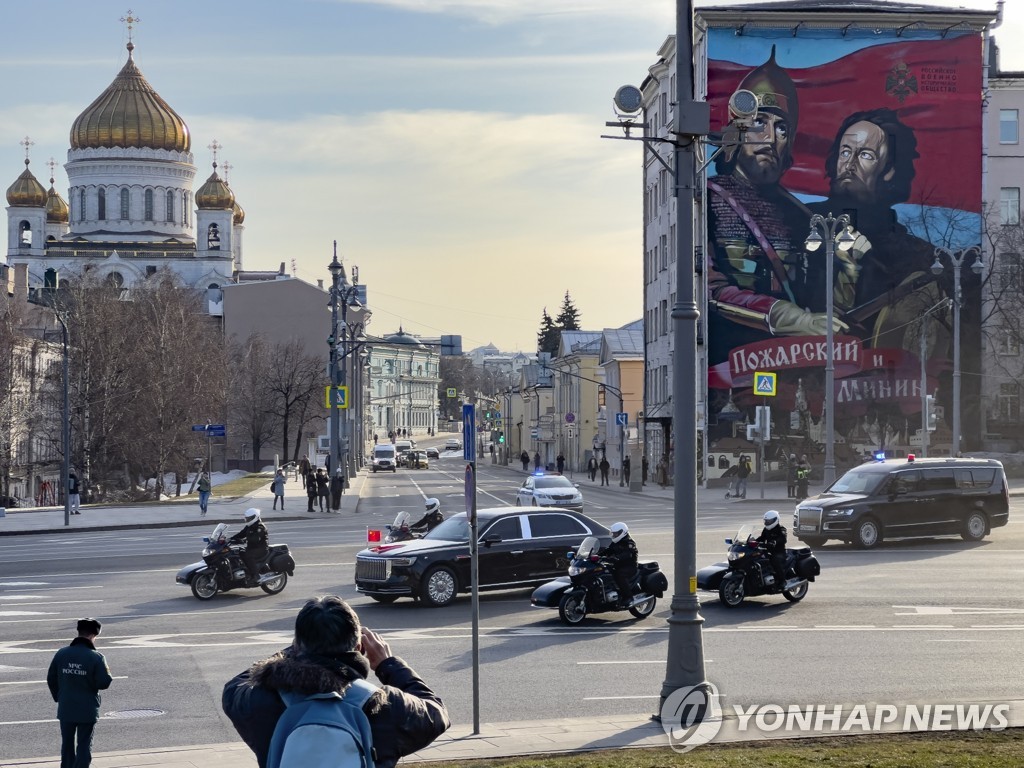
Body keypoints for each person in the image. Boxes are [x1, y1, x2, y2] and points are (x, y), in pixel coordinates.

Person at [222, 595, 450, 768]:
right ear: (359, 646)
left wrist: (294, 651)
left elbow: (235, 685)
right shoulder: (383, 706)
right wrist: (387, 664)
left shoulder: (258, 701)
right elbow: (436, 712)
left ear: (298, 644)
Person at [47, 618, 112, 768]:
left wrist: (59, 697)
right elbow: (104, 682)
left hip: (66, 706)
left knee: (67, 744)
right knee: (84, 745)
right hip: (87, 708)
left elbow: (51, 678)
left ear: (78, 631)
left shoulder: (61, 653)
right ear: (94, 635)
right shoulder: (96, 657)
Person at [600, 523, 639, 608]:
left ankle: (628, 597)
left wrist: (616, 558)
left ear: (623, 532)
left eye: (616, 533)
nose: (614, 535)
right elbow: (608, 550)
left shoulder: (629, 543)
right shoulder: (615, 542)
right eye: (613, 533)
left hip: (629, 566)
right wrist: (597, 555)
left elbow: (627, 554)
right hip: (618, 565)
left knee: (620, 575)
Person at [229, 508, 269, 583]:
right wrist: (230, 539)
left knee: (248, 556)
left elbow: (255, 539)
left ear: (255, 517)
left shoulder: (260, 527)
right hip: (252, 548)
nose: (247, 520)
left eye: (249, 518)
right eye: (246, 518)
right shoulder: (250, 526)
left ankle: (256, 576)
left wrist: (244, 540)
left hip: (261, 549)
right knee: (238, 552)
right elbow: (242, 533)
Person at [757, 510, 790, 589]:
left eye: (769, 521)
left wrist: (775, 541)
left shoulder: (781, 529)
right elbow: (762, 538)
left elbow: (783, 538)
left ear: (776, 520)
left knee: (775, 560)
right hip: (768, 550)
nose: (767, 523)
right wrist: (753, 541)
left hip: (779, 552)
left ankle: (782, 581)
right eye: (766, 521)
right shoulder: (766, 529)